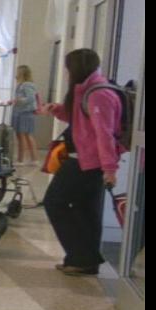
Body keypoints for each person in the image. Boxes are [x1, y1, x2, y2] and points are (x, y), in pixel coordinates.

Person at [43, 49, 123, 277]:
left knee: (55, 202)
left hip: (88, 163)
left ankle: (82, 257)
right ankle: (84, 260)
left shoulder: (99, 94)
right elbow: (82, 119)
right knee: (86, 210)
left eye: (68, 68)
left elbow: (104, 134)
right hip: (87, 161)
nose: (67, 73)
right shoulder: (87, 90)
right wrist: (58, 110)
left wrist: (110, 169)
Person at [10, 65, 40, 164]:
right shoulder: (21, 84)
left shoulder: (27, 85)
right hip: (20, 113)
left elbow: (31, 98)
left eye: (18, 72)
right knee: (22, 136)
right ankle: (31, 159)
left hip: (25, 113)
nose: (16, 74)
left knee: (24, 136)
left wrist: (18, 100)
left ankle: (22, 159)